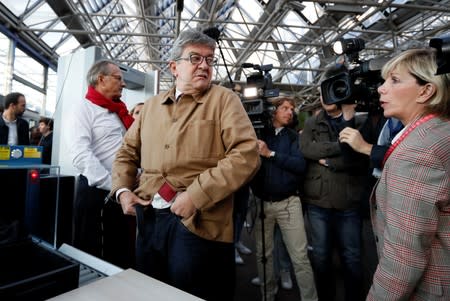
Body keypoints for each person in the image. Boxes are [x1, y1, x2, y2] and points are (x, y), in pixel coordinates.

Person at [110, 29, 260, 301]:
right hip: (149, 218)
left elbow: (246, 154)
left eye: (209, 60)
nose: (204, 65)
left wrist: (196, 194)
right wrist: (122, 190)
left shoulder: (224, 100)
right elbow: (126, 152)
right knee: (150, 290)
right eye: (195, 58)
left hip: (197, 221)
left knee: (191, 293)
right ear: (174, 67)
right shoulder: (152, 107)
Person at [366, 48, 450, 300]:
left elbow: (403, 261)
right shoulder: (440, 132)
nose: (381, 88)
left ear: (426, 91)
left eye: (394, 80)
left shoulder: (417, 152)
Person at [300, 64, 368, 301]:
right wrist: (342, 146)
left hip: (348, 202)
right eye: (321, 91)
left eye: (330, 89)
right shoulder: (311, 122)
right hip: (318, 202)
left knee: (352, 256)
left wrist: (329, 161)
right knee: (320, 256)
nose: (324, 95)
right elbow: (307, 149)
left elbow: (360, 160)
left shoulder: (359, 120)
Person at [66, 59, 134, 267]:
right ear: (101, 79)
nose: (123, 84)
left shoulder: (117, 112)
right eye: (118, 78)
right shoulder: (83, 109)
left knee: (121, 251)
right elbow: (80, 155)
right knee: (96, 256)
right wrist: (115, 185)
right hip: (99, 193)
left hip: (122, 192)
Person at [250, 96, 317, 301]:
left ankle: (310, 298)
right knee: (264, 255)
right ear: (273, 111)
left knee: (300, 258)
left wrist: (270, 154)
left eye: (292, 109)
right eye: (285, 108)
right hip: (261, 204)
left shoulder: (294, 137)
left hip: (289, 203)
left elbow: (300, 166)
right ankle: (267, 294)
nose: (290, 112)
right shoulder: (258, 135)